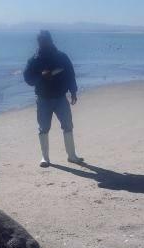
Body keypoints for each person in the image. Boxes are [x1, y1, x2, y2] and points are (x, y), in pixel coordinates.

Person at [24, 30, 84, 168]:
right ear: (38, 42)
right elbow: (28, 79)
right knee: (43, 128)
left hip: (60, 98)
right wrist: (41, 76)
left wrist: (73, 91)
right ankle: (45, 158)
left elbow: (70, 74)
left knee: (68, 125)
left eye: (45, 41)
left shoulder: (61, 57)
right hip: (43, 99)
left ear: (51, 41)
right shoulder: (34, 60)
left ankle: (72, 156)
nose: (43, 43)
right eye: (41, 41)